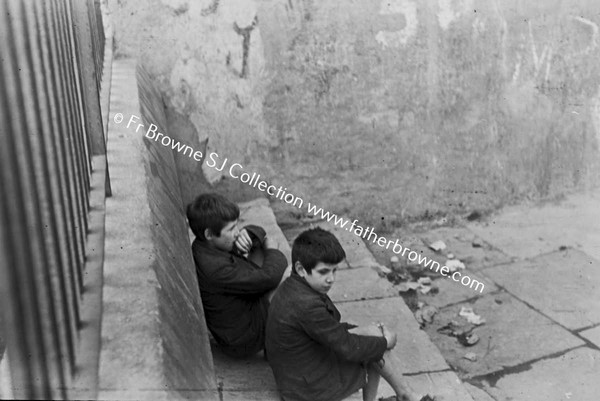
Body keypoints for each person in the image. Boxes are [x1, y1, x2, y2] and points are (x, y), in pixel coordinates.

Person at [265, 227, 419, 401]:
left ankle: (405, 394)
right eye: (324, 271)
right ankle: (405, 394)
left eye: (334, 270)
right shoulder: (306, 305)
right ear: (301, 269)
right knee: (373, 349)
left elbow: (331, 330)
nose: (331, 278)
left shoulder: (294, 286)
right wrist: (384, 342)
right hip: (306, 387)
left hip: (299, 368)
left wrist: (374, 334)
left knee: (373, 337)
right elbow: (347, 347)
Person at [187, 193, 289, 358]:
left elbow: (258, 233)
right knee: (295, 275)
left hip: (238, 318)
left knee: (262, 248)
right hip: (244, 338)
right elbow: (269, 277)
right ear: (209, 234)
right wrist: (272, 249)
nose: (236, 232)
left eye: (237, 226)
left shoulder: (205, 246)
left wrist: (248, 234)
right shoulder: (216, 269)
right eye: (231, 229)